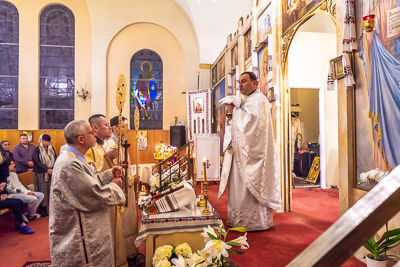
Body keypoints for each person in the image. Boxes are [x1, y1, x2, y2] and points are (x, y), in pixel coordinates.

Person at [49, 120, 126, 266]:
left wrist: (109, 174)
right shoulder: (70, 163)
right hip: (80, 236)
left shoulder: (73, 159)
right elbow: (92, 194)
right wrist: (115, 186)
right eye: (91, 132)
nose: (94, 134)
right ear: (81, 139)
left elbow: (88, 181)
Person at [218, 72, 282, 231]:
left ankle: (252, 222)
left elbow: (250, 126)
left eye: (244, 81)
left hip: (253, 156)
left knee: (247, 189)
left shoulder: (259, 100)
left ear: (255, 83)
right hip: (243, 154)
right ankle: (240, 219)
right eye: (239, 82)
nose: (240, 85)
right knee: (239, 188)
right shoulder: (249, 101)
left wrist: (234, 111)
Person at [85, 114, 128, 267]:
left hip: (109, 194)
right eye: (105, 125)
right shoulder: (90, 149)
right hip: (102, 197)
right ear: (95, 128)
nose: (110, 127)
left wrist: (112, 164)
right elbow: (91, 177)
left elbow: (105, 167)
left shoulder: (101, 146)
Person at [104, 116, 144, 266]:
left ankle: (130, 253)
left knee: (130, 221)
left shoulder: (119, 143)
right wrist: (132, 179)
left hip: (127, 189)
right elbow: (112, 168)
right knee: (123, 224)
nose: (126, 129)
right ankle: (123, 255)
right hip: (121, 190)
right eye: (122, 126)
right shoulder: (111, 144)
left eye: (126, 126)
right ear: (114, 128)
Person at [0, 143, 34, 234]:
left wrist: (4, 194)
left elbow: (4, 182)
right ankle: (23, 225)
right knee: (15, 203)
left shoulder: (6, 171)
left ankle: (17, 223)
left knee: (19, 202)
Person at [32, 134, 57, 217]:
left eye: (47, 141)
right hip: (41, 173)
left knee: (48, 191)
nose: (46, 143)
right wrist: (47, 169)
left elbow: (55, 159)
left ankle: (46, 209)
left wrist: (53, 168)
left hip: (50, 173)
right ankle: (41, 209)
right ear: (41, 140)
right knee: (42, 191)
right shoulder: (37, 149)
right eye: (44, 141)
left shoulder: (51, 149)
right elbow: (36, 161)